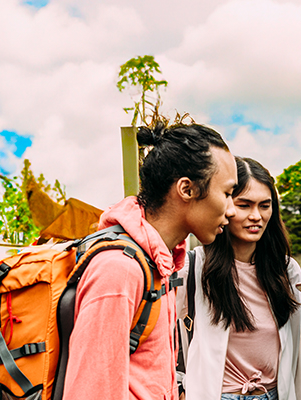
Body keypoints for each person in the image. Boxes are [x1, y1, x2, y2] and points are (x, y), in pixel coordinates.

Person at [63, 122, 238, 399]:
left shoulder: (158, 262)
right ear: (187, 189)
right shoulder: (119, 269)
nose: (232, 211)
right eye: (227, 193)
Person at [177, 156, 301, 400]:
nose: (256, 216)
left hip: (275, 394)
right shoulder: (195, 267)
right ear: (226, 205)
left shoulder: (286, 270)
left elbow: (299, 356)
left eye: (265, 205)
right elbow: (173, 342)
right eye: (245, 205)